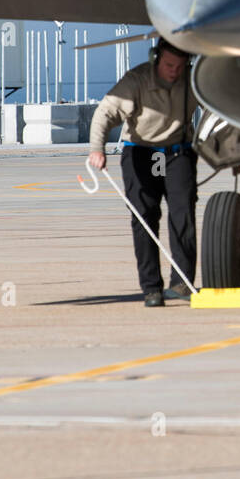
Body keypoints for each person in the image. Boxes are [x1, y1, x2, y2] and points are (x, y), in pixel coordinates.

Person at [87, 40, 198, 307]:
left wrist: (232, 150)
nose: (174, 71)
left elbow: (223, 103)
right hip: (142, 152)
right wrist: (97, 149)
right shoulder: (136, 81)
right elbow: (105, 113)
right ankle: (151, 288)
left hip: (176, 153)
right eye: (169, 65)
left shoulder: (193, 80)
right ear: (156, 58)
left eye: (180, 66)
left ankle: (182, 283)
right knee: (144, 218)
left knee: (183, 214)